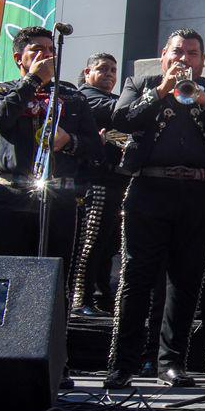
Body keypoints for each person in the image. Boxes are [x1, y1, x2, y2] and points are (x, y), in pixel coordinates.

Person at [104, 29, 205, 389]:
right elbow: (121, 119)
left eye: (193, 53)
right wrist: (160, 91)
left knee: (186, 281)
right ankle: (122, 364)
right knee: (136, 278)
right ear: (164, 55)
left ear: (203, 61)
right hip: (149, 189)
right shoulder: (141, 83)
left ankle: (171, 363)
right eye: (178, 52)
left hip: (201, 193)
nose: (184, 59)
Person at [0, 27, 100, 267]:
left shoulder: (72, 96)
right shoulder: (0, 92)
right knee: (7, 270)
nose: (46, 55)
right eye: (37, 50)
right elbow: (0, 119)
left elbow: (95, 148)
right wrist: (33, 80)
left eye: (50, 50)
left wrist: (69, 141)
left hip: (59, 196)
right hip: (12, 195)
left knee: (55, 271)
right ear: (18, 58)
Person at [68, 53, 124, 315]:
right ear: (87, 72)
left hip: (116, 181)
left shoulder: (116, 100)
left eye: (113, 70)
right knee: (90, 242)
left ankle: (101, 297)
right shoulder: (84, 97)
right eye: (103, 69)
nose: (109, 74)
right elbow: (117, 110)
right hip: (95, 182)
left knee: (108, 245)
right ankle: (81, 298)